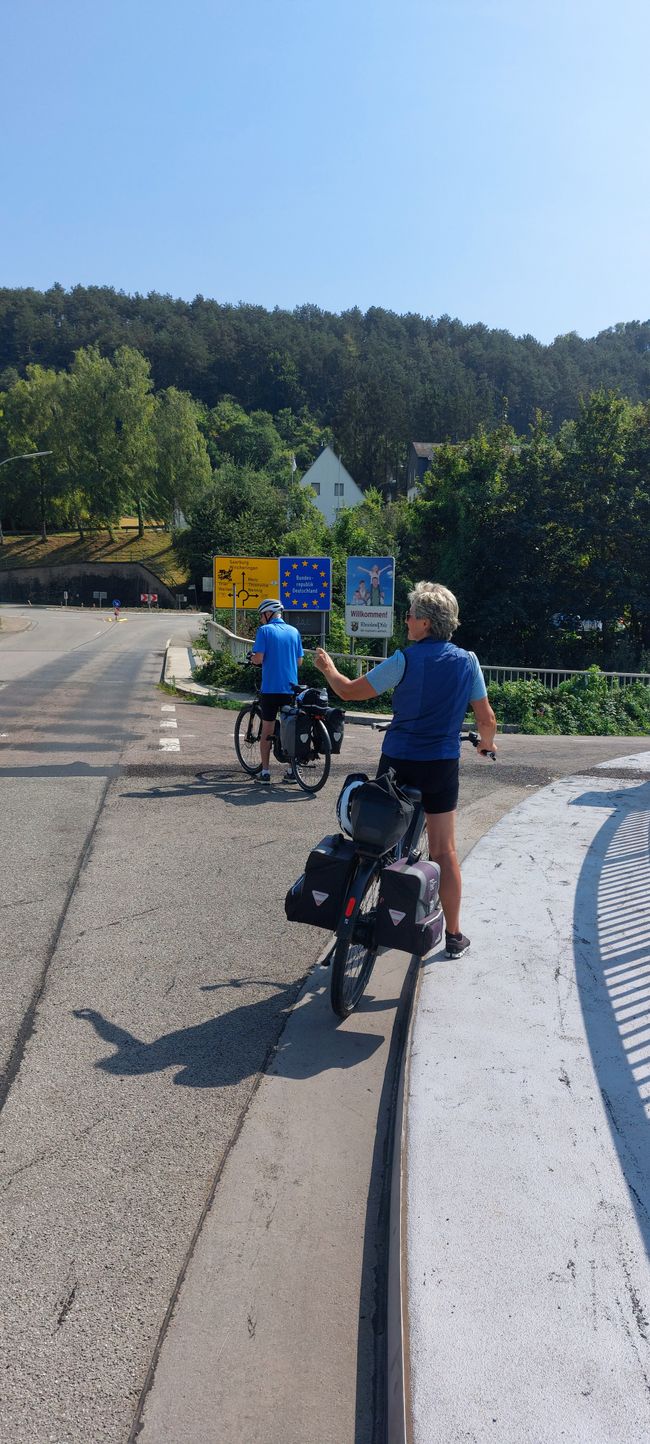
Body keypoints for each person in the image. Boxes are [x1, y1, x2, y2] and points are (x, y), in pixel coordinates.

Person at [314, 581, 497, 958]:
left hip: (397, 762)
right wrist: (486, 743)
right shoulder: (468, 662)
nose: (407, 620)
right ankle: (454, 936)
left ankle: (374, 913)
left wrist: (329, 669)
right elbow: (487, 719)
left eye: (411, 615)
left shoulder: (404, 660)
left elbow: (348, 691)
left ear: (426, 624)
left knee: (381, 841)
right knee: (444, 852)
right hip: (440, 766)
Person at [250, 598, 304, 783]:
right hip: (290, 689)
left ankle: (265, 772)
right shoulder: (294, 631)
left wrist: (252, 658)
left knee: (267, 730)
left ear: (268, 613)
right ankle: (291, 771)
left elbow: (258, 658)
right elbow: (299, 662)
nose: (260, 619)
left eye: (261, 615)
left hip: (271, 689)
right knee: (290, 729)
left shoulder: (264, 631)